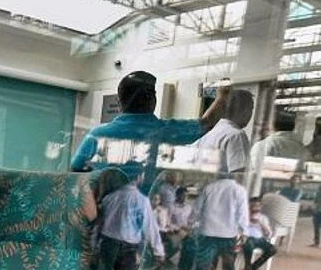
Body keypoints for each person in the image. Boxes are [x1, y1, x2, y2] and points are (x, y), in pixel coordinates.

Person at [71, 71, 229, 194]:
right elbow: (207, 123)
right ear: (153, 100)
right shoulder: (166, 131)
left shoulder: (97, 134)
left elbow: (75, 171)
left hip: (104, 221)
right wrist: (223, 95)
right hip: (146, 223)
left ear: (119, 103)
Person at [190, 173, 249, 270]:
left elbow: (197, 208)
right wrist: (244, 231)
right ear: (235, 177)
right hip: (228, 232)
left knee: (204, 260)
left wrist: (191, 222)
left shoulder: (209, 188)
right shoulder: (239, 190)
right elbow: (242, 212)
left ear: (218, 176)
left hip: (208, 230)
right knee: (228, 261)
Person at [98, 176, 164, 270]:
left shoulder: (109, 198)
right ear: (138, 177)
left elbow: (100, 223)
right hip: (127, 248)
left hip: (107, 244)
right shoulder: (141, 200)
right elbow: (150, 227)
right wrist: (158, 250)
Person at [192, 90, 254, 174]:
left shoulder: (209, 135)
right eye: (251, 109)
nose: (251, 114)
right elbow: (240, 176)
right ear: (245, 111)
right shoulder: (236, 135)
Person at [248, 110, 308, 196]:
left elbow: (254, 172)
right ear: (293, 126)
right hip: (291, 195)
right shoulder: (302, 149)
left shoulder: (263, 145)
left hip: (263, 195)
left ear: (273, 125)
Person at [243, 197, 277, 270]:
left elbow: (269, 233)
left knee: (273, 249)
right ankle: (247, 266)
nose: (254, 208)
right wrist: (248, 220)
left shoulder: (263, 218)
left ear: (260, 207)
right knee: (248, 244)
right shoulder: (244, 216)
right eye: (252, 206)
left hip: (260, 239)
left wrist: (260, 223)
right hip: (248, 238)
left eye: (257, 206)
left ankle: (255, 266)